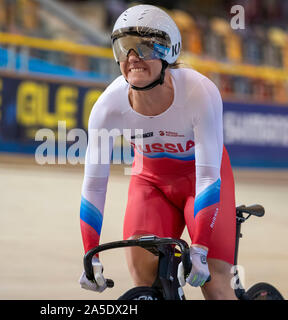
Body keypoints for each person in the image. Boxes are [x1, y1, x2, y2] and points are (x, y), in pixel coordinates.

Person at [78, 4, 237, 300]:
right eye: (124, 48)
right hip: (150, 182)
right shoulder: (107, 107)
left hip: (201, 181)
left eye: (144, 47)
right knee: (144, 277)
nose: (133, 57)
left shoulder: (199, 93)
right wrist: (91, 253)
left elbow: (207, 178)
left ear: (170, 52)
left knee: (214, 286)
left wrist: (200, 247)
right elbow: (95, 185)